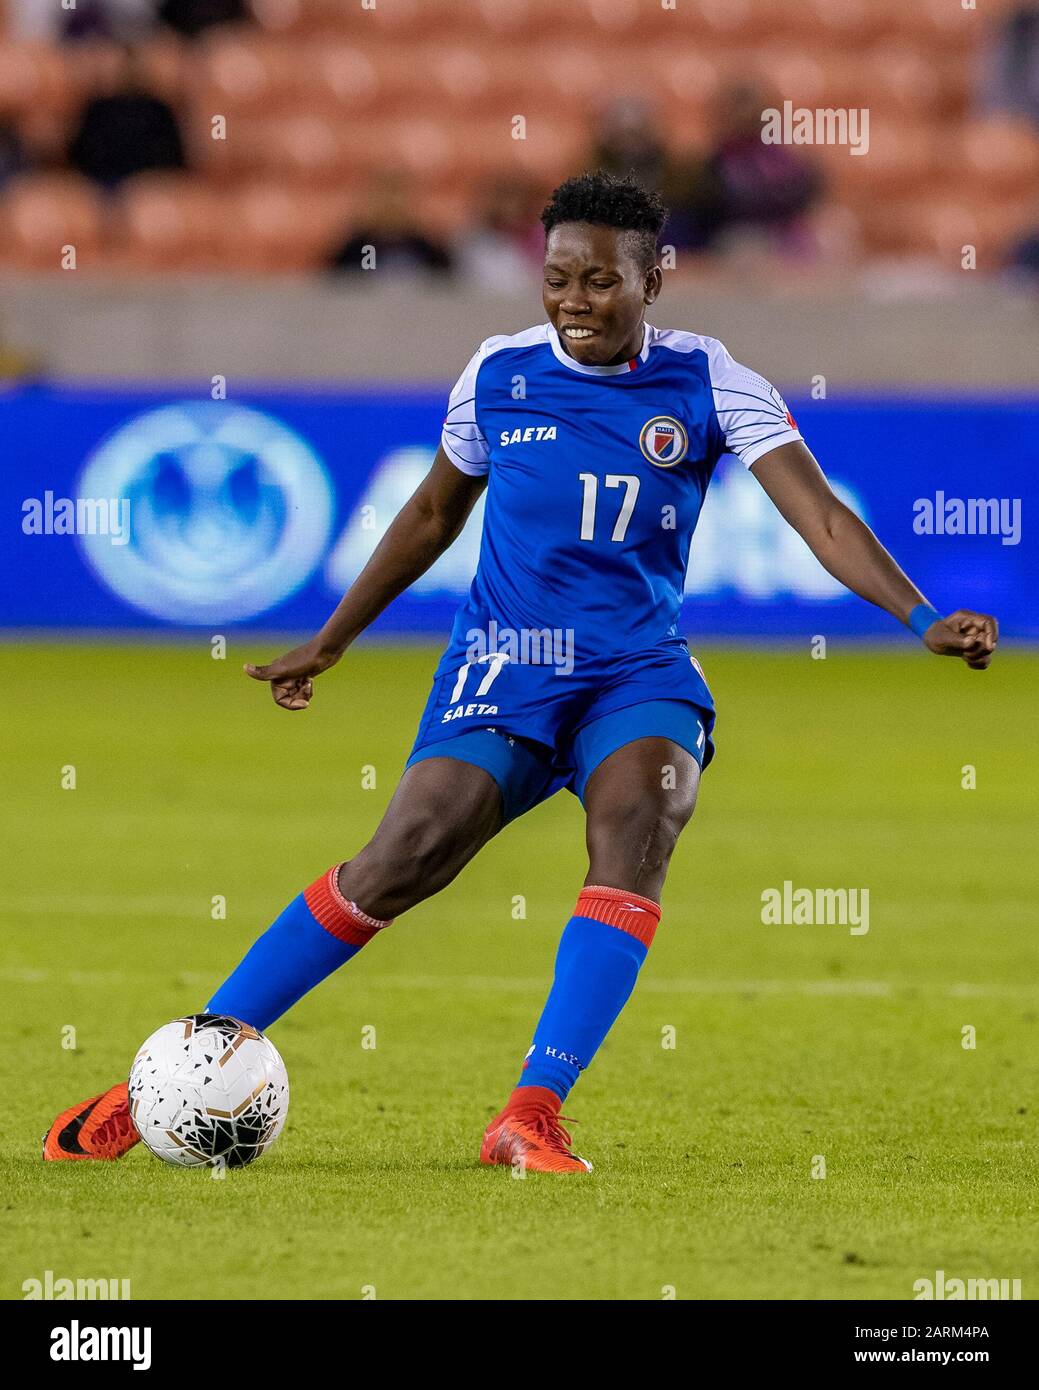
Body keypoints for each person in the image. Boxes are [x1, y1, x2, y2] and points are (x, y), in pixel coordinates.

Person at [43, 172, 997, 1173]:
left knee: (640, 820)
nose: (574, 300)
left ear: (655, 277)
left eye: (599, 280)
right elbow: (427, 515)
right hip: (503, 665)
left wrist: (918, 615)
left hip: (637, 669)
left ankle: (530, 1113)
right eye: (557, 279)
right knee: (404, 851)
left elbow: (823, 518)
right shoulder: (497, 375)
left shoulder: (713, 383)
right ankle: (176, 1071)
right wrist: (333, 639)